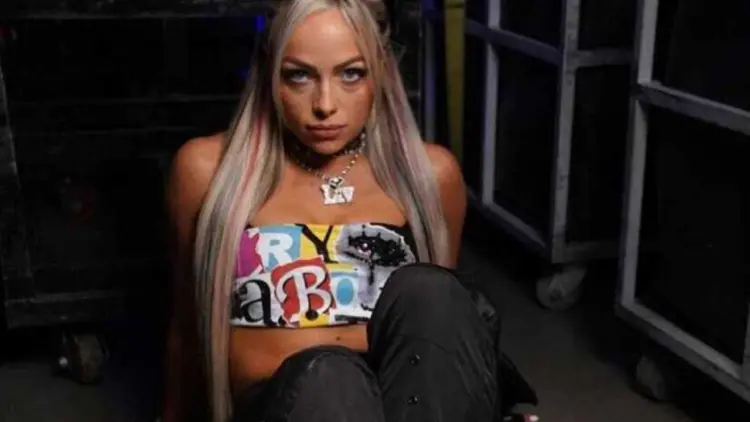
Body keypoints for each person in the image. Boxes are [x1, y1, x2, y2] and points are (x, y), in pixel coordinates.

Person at [162, 1, 498, 421]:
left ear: (381, 71)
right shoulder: (207, 171)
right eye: (299, 75)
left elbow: (438, 347)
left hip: (398, 405)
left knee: (436, 293)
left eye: (350, 74)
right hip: (281, 405)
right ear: (268, 73)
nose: (325, 104)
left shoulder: (431, 176)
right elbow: (187, 327)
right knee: (330, 377)